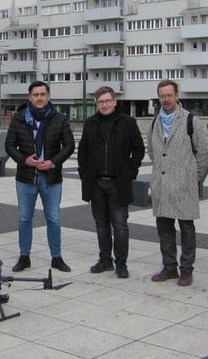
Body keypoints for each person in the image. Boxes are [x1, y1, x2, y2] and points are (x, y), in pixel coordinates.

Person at [146, 80, 208, 286]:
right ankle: (169, 267)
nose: (166, 99)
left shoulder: (191, 120)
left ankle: (186, 270)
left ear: (176, 96)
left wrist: (193, 176)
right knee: (164, 229)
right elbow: (152, 150)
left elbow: (203, 152)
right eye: (162, 96)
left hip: (184, 184)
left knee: (186, 229)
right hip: (162, 185)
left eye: (169, 95)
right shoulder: (155, 121)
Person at [6, 81, 75, 273]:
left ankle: (57, 257)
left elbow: (69, 145)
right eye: (35, 95)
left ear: (48, 96)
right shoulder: (19, 119)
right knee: (24, 218)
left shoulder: (59, 119)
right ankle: (24, 257)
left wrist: (53, 162)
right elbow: (10, 145)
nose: (39, 98)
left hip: (51, 178)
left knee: (53, 218)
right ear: (30, 97)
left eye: (43, 94)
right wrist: (24, 160)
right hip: (26, 178)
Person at [77, 86, 145, 279]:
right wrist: (84, 172)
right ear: (96, 104)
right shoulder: (90, 123)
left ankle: (121, 263)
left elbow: (138, 149)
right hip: (96, 183)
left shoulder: (128, 123)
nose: (104, 104)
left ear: (115, 101)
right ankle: (105, 260)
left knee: (120, 225)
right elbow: (83, 150)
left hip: (118, 184)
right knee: (101, 224)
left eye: (107, 100)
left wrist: (130, 172)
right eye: (100, 102)